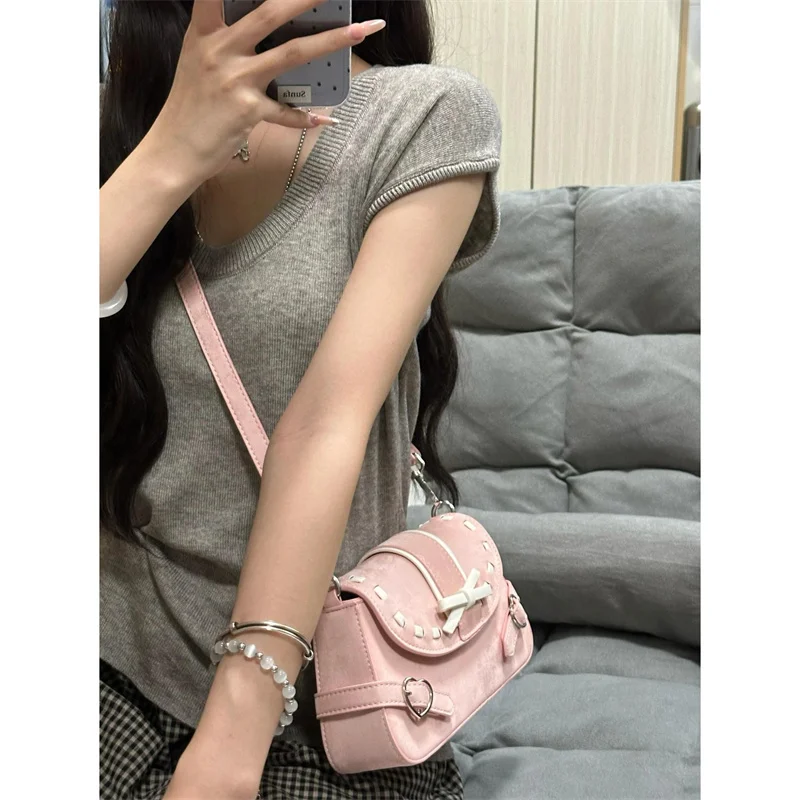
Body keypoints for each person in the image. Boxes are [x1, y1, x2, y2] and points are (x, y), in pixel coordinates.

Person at [100, 1, 502, 798]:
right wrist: (167, 154)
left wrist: (233, 735)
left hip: (323, 688)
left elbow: (326, 422)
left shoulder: (420, 115)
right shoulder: (117, 124)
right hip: (112, 647)